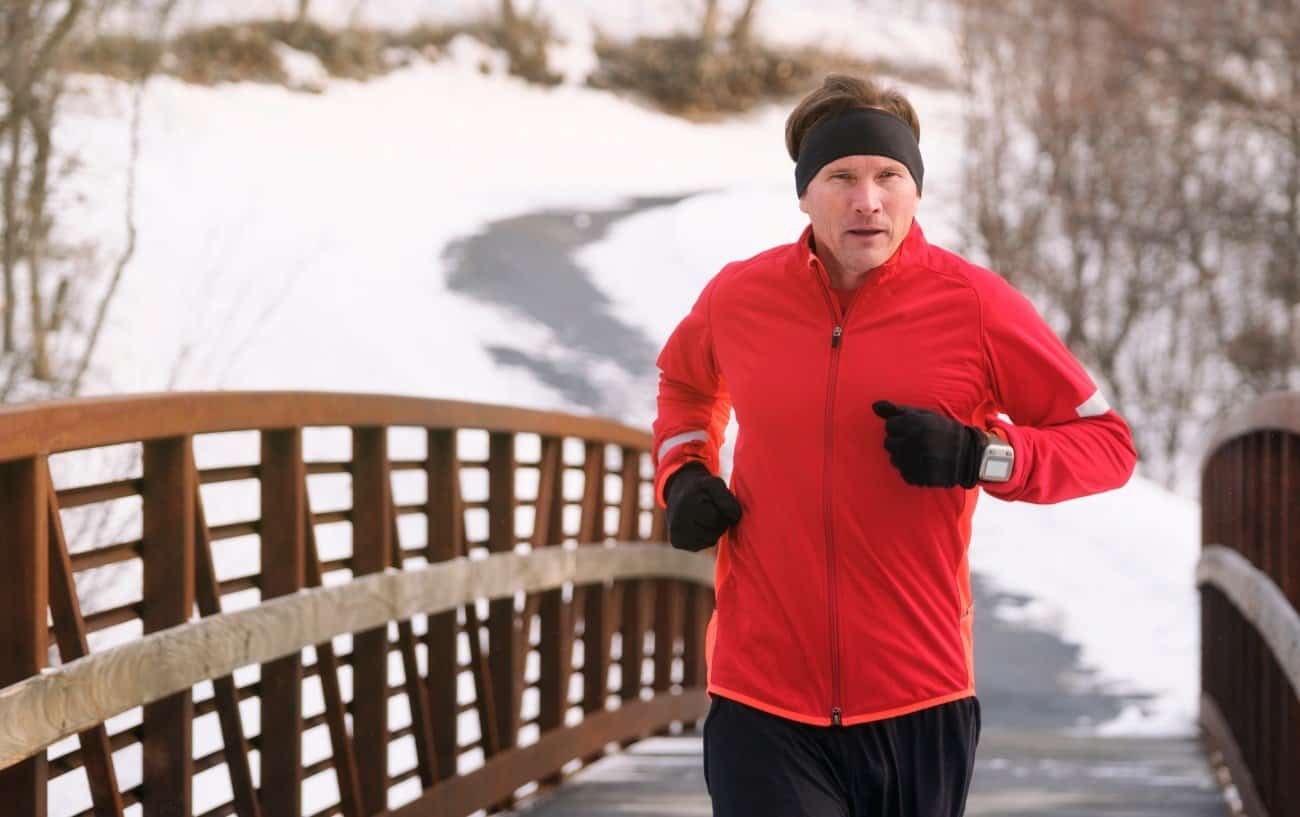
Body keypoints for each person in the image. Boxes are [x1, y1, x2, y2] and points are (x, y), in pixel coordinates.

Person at [651, 74, 1139, 817]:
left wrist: (982, 455)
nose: (867, 200)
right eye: (841, 177)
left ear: (915, 191)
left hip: (918, 695)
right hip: (760, 693)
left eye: (889, 177)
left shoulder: (975, 305)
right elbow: (686, 387)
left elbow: (1107, 445)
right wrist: (683, 473)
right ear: (805, 193)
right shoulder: (739, 296)